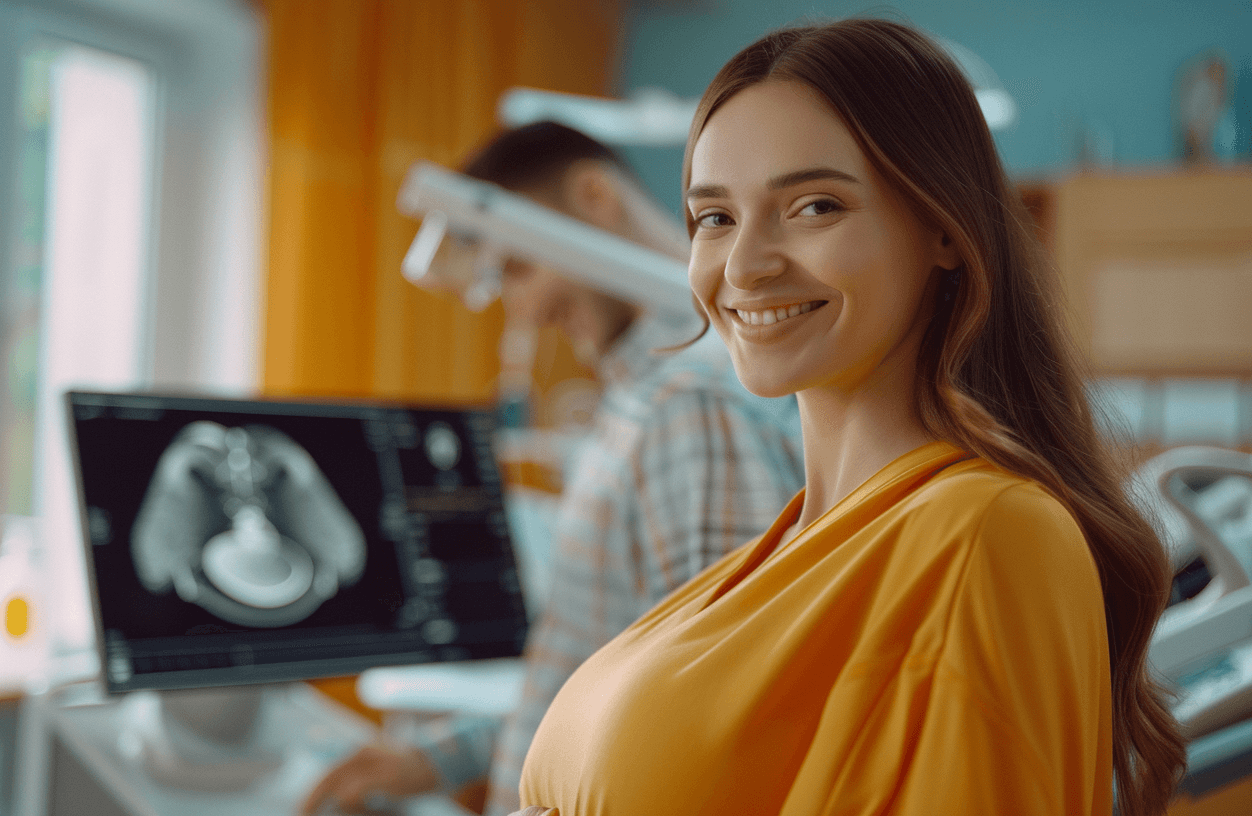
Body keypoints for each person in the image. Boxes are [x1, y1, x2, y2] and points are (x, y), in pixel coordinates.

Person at [517, 20, 1186, 816]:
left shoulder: (986, 537)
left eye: (813, 206)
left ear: (945, 226)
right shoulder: (786, 548)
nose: (745, 265)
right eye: (715, 217)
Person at [302, 123, 803, 815]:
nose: (524, 310)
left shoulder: (689, 405)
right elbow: (597, 680)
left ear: (593, 195)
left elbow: (716, 718)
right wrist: (434, 759)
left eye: (518, 267)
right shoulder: (642, 402)